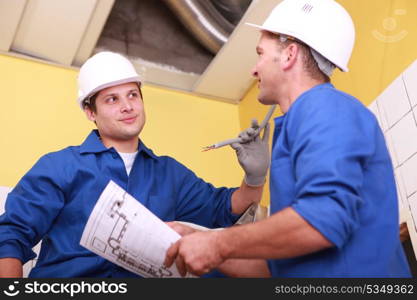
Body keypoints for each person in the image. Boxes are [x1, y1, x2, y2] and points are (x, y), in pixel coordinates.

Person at [164, 0, 412, 277]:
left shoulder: (325, 107)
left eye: (260, 54)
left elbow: (323, 219)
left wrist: (217, 242)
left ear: (289, 54)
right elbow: (274, 268)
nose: (254, 69)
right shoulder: (299, 122)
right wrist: (192, 239)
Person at [0, 51, 270, 277]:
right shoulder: (59, 166)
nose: (128, 106)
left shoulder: (169, 174)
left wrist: (255, 178)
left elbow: (225, 210)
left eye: (132, 95)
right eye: (112, 99)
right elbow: (10, 237)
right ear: (90, 112)